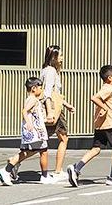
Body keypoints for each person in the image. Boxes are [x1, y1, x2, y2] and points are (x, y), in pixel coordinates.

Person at [66, 64, 112, 187]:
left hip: (100, 125)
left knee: (96, 149)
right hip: (110, 125)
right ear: (110, 78)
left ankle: (76, 169)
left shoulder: (107, 88)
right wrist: (105, 108)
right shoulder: (108, 88)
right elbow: (94, 98)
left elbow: (111, 107)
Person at [0, 76, 51, 185]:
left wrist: (44, 119)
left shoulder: (30, 99)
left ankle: (8, 168)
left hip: (32, 131)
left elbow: (33, 114)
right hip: (35, 131)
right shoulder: (33, 99)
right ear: (34, 88)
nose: (42, 90)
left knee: (27, 152)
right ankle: (44, 176)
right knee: (43, 151)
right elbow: (24, 111)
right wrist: (30, 123)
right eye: (40, 88)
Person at [40, 45, 74, 182]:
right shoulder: (51, 71)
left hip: (55, 108)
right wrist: (49, 113)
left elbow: (55, 95)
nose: (62, 58)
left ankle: (14, 163)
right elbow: (47, 94)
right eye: (60, 55)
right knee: (61, 139)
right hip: (53, 110)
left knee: (41, 141)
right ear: (54, 57)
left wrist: (67, 105)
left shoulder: (48, 70)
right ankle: (58, 171)